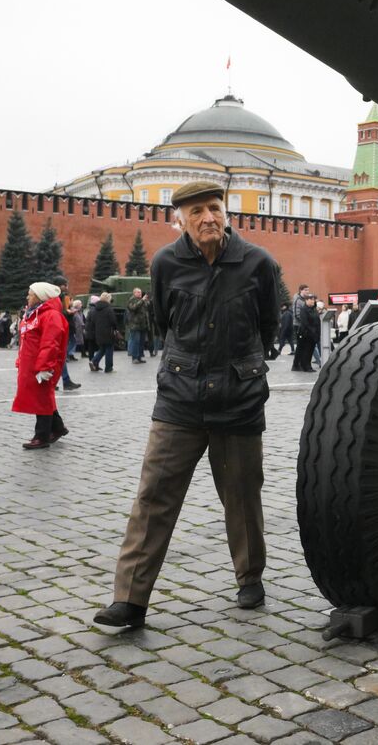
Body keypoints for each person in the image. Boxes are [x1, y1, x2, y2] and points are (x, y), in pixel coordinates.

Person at [94, 181, 279, 629]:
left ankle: (249, 576)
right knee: (154, 494)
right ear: (179, 219)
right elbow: (162, 320)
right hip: (180, 397)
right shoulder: (165, 263)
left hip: (238, 397)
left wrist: (243, 365)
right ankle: (131, 600)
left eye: (214, 209)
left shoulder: (258, 263)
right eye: (195, 212)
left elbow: (269, 326)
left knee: (241, 493)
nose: (207, 219)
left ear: (226, 212)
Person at [15, 283, 70, 450]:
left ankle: (42, 436)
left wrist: (45, 367)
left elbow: (50, 343)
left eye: (30, 294)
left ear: (40, 297)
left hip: (42, 366)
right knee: (41, 396)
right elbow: (25, 340)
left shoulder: (50, 315)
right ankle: (58, 428)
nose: (27, 297)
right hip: (31, 364)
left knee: (42, 398)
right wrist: (20, 361)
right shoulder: (32, 314)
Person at [88, 293, 119, 373]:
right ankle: (108, 368)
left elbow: (93, 321)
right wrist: (115, 328)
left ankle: (94, 361)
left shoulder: (95, 309)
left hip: (98, 332)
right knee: (109, 349)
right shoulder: (109, 309)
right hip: (108, 332)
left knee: (102, 349)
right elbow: (113, 321)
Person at [292, 293, 320, 372]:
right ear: (306, 300)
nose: (312, 301)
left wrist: (317, 333)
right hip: (306, 334)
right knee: (306, 351)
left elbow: (317, 322)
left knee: (310, 351)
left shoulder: (314, 310)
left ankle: (308, 365)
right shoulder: (304, 309)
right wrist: (312, 331)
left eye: (313, 300)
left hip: (314, 334)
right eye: (310, 300)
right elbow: (305, 323)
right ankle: (305, 366)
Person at [126, 287, 150, 364]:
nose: (140, 293)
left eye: (140, 292)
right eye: (138, 292)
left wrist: (146, 301)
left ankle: (139, 357)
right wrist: (142, 300)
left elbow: (147, 309)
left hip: (142, 325)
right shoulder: (132, 300)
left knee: (141, 342)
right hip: (135, 325)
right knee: (135, 342)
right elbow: (133, 308)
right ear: (134, 293)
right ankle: (134, 358)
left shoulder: (142, 301)